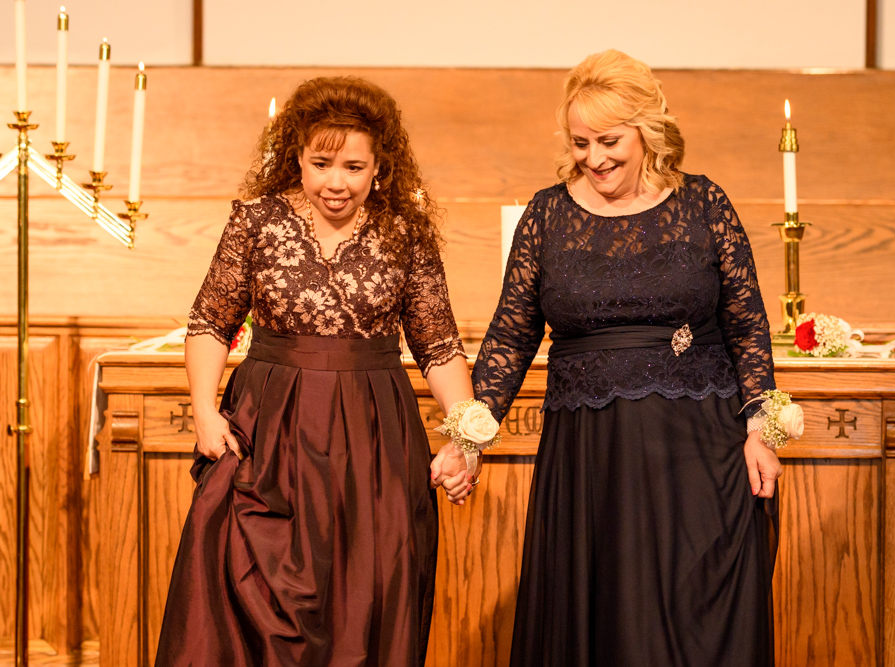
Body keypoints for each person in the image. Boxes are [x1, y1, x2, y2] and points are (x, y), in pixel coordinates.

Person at [155, 76, 482, 667]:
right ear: (297, 158)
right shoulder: (256, 222)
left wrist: (465, 439)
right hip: (269, 433)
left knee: (366, 594)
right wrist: (204, 410)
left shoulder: (405, 233)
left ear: (380, 167)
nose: (337, 182)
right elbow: (209, 322)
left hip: (374, 439)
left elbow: (438, 347)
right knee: (248, 597)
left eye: (354, 167)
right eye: (321, 163)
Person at [471, 50, 783, 666]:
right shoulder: (547, 214)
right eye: (580, 143)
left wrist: (762, 430)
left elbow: (747, 323)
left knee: (689, 623)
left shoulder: (704, 203)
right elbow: (510, 336)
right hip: (590, 454)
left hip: (696, 449)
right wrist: (469, 435)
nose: (594, 158)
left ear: (647, 131)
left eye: (609, 141)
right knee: (602, 618)